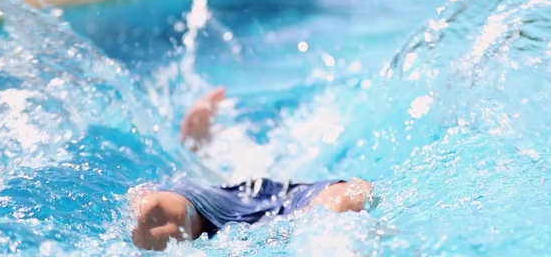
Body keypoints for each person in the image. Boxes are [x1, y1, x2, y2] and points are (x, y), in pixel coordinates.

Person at [130, 87, 375, 251]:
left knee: (351, 198)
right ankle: (196, 145)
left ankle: (197, 144)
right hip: (213, 201)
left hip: (296, 201)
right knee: (156, 211)